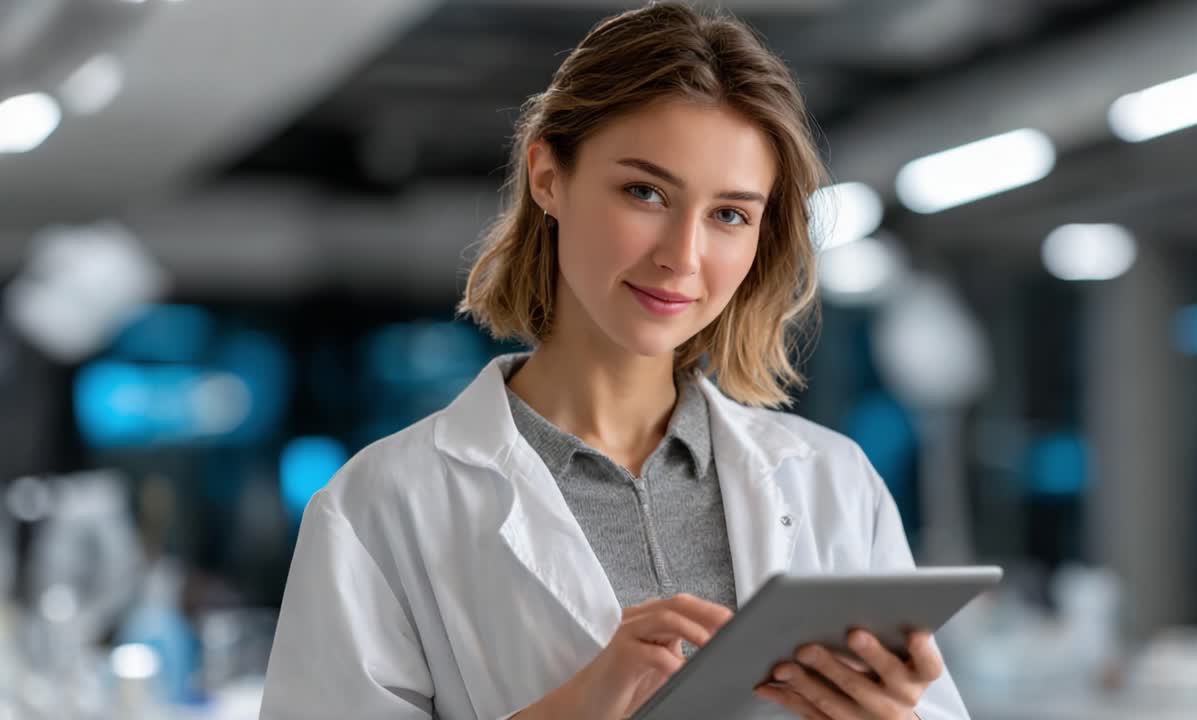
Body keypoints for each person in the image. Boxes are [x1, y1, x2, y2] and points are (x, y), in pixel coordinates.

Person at [260, 3, 970, 719]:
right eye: (646, 193)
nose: (682, 256)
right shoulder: (382, 506)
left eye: (729, 214)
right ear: (548, 176)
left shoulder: (834, 483)